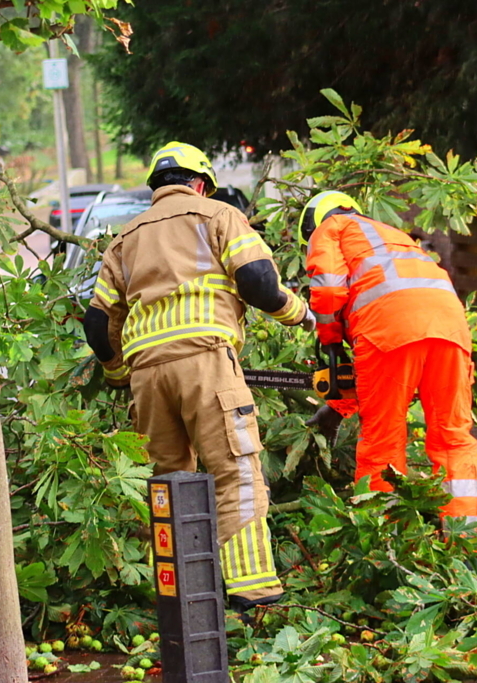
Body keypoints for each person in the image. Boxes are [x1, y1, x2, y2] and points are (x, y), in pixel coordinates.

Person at [82, 141, 315, 611]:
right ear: (201, 183)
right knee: (236, 470)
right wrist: (301, 315)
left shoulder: (123, 239)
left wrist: (117, 372)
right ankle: (252, 589)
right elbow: (258, 283)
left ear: (155, 189)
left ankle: (178, 597)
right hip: (206, 358)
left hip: (146, 372)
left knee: (169, 481)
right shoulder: (217, 215)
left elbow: (96, 324)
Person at [300, 191, 477, 522]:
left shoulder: (332, 227)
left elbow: (327, 290)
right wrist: (339, 405)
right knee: (453, 436)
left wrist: (330, 342)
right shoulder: (394, 237)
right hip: (451, 330)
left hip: (390, 331)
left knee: (382, 439)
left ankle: (384, 535)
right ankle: (464, 535)